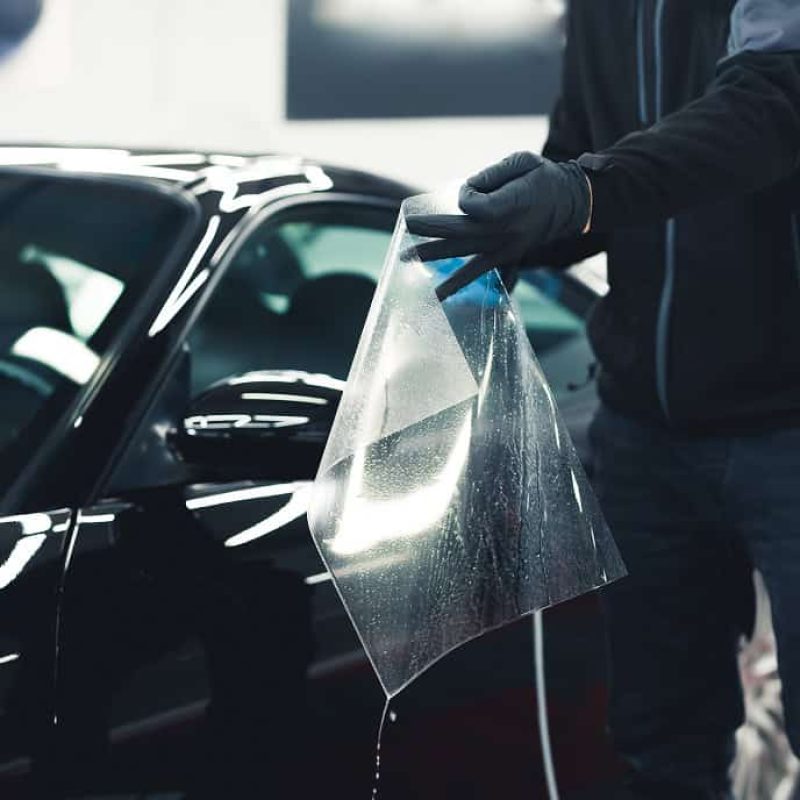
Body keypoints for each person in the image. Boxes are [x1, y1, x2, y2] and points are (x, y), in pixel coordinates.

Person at [406, 2, 800, 798]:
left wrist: (582, 190)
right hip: (644, 434)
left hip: (788, 426)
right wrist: (512, 224)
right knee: (659, 738)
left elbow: (772, 103)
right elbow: (588, 154)